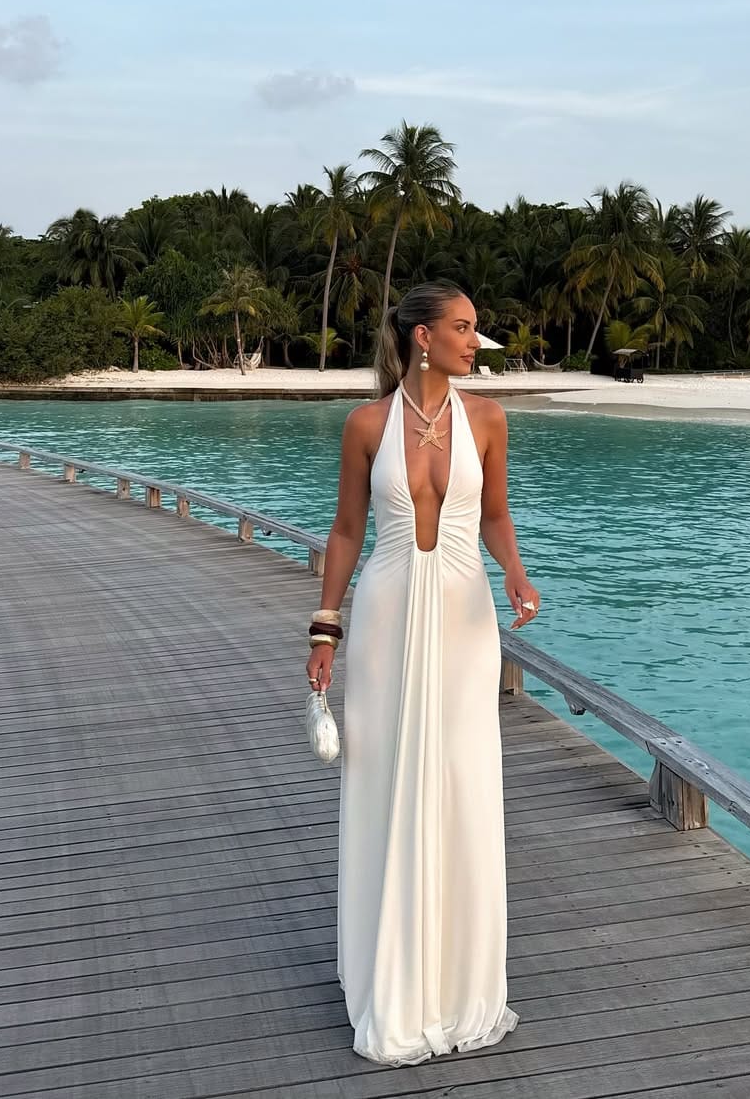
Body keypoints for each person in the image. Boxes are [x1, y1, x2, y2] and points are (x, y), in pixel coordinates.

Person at [306, 280, 541, 1067]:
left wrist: (515, 573)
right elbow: (345, 532)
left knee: (461, 779)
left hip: (466, 615)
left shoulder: (489, 418)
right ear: (421, 336)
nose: (477, 342)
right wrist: (324, 629)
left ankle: (456, 981)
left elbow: (496, 514)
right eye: (465, 328)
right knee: (386, 781)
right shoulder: (366, 424)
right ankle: (392, 978)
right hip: (388, 611)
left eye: (477, 329)